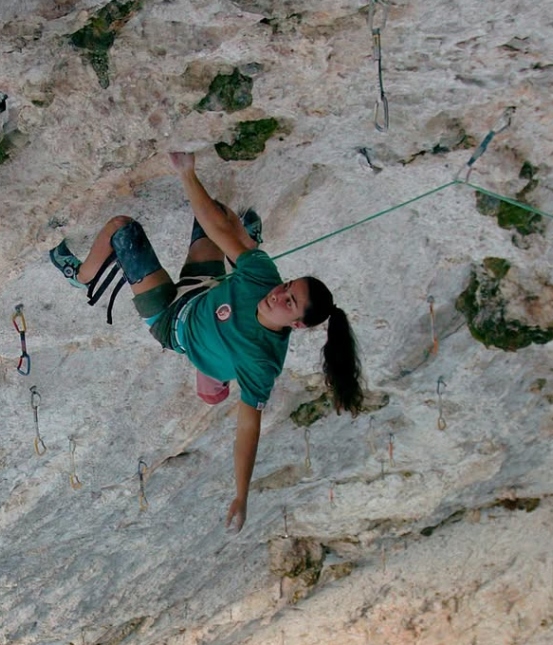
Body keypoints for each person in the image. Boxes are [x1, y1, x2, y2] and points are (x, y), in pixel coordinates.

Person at [49, 151, 365, 532]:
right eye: (287, 287)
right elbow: (216, 226)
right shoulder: (264, 276)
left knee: (122, 229)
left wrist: (242, 494)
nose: (278, 295)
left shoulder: (262, 363)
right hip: (202, 290)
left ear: (297, 326)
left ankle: (81, 276)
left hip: (172, 322)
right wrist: (187, 174)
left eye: (289, 302)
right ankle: (245, 248)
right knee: (219, 217)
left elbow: (248, 429)